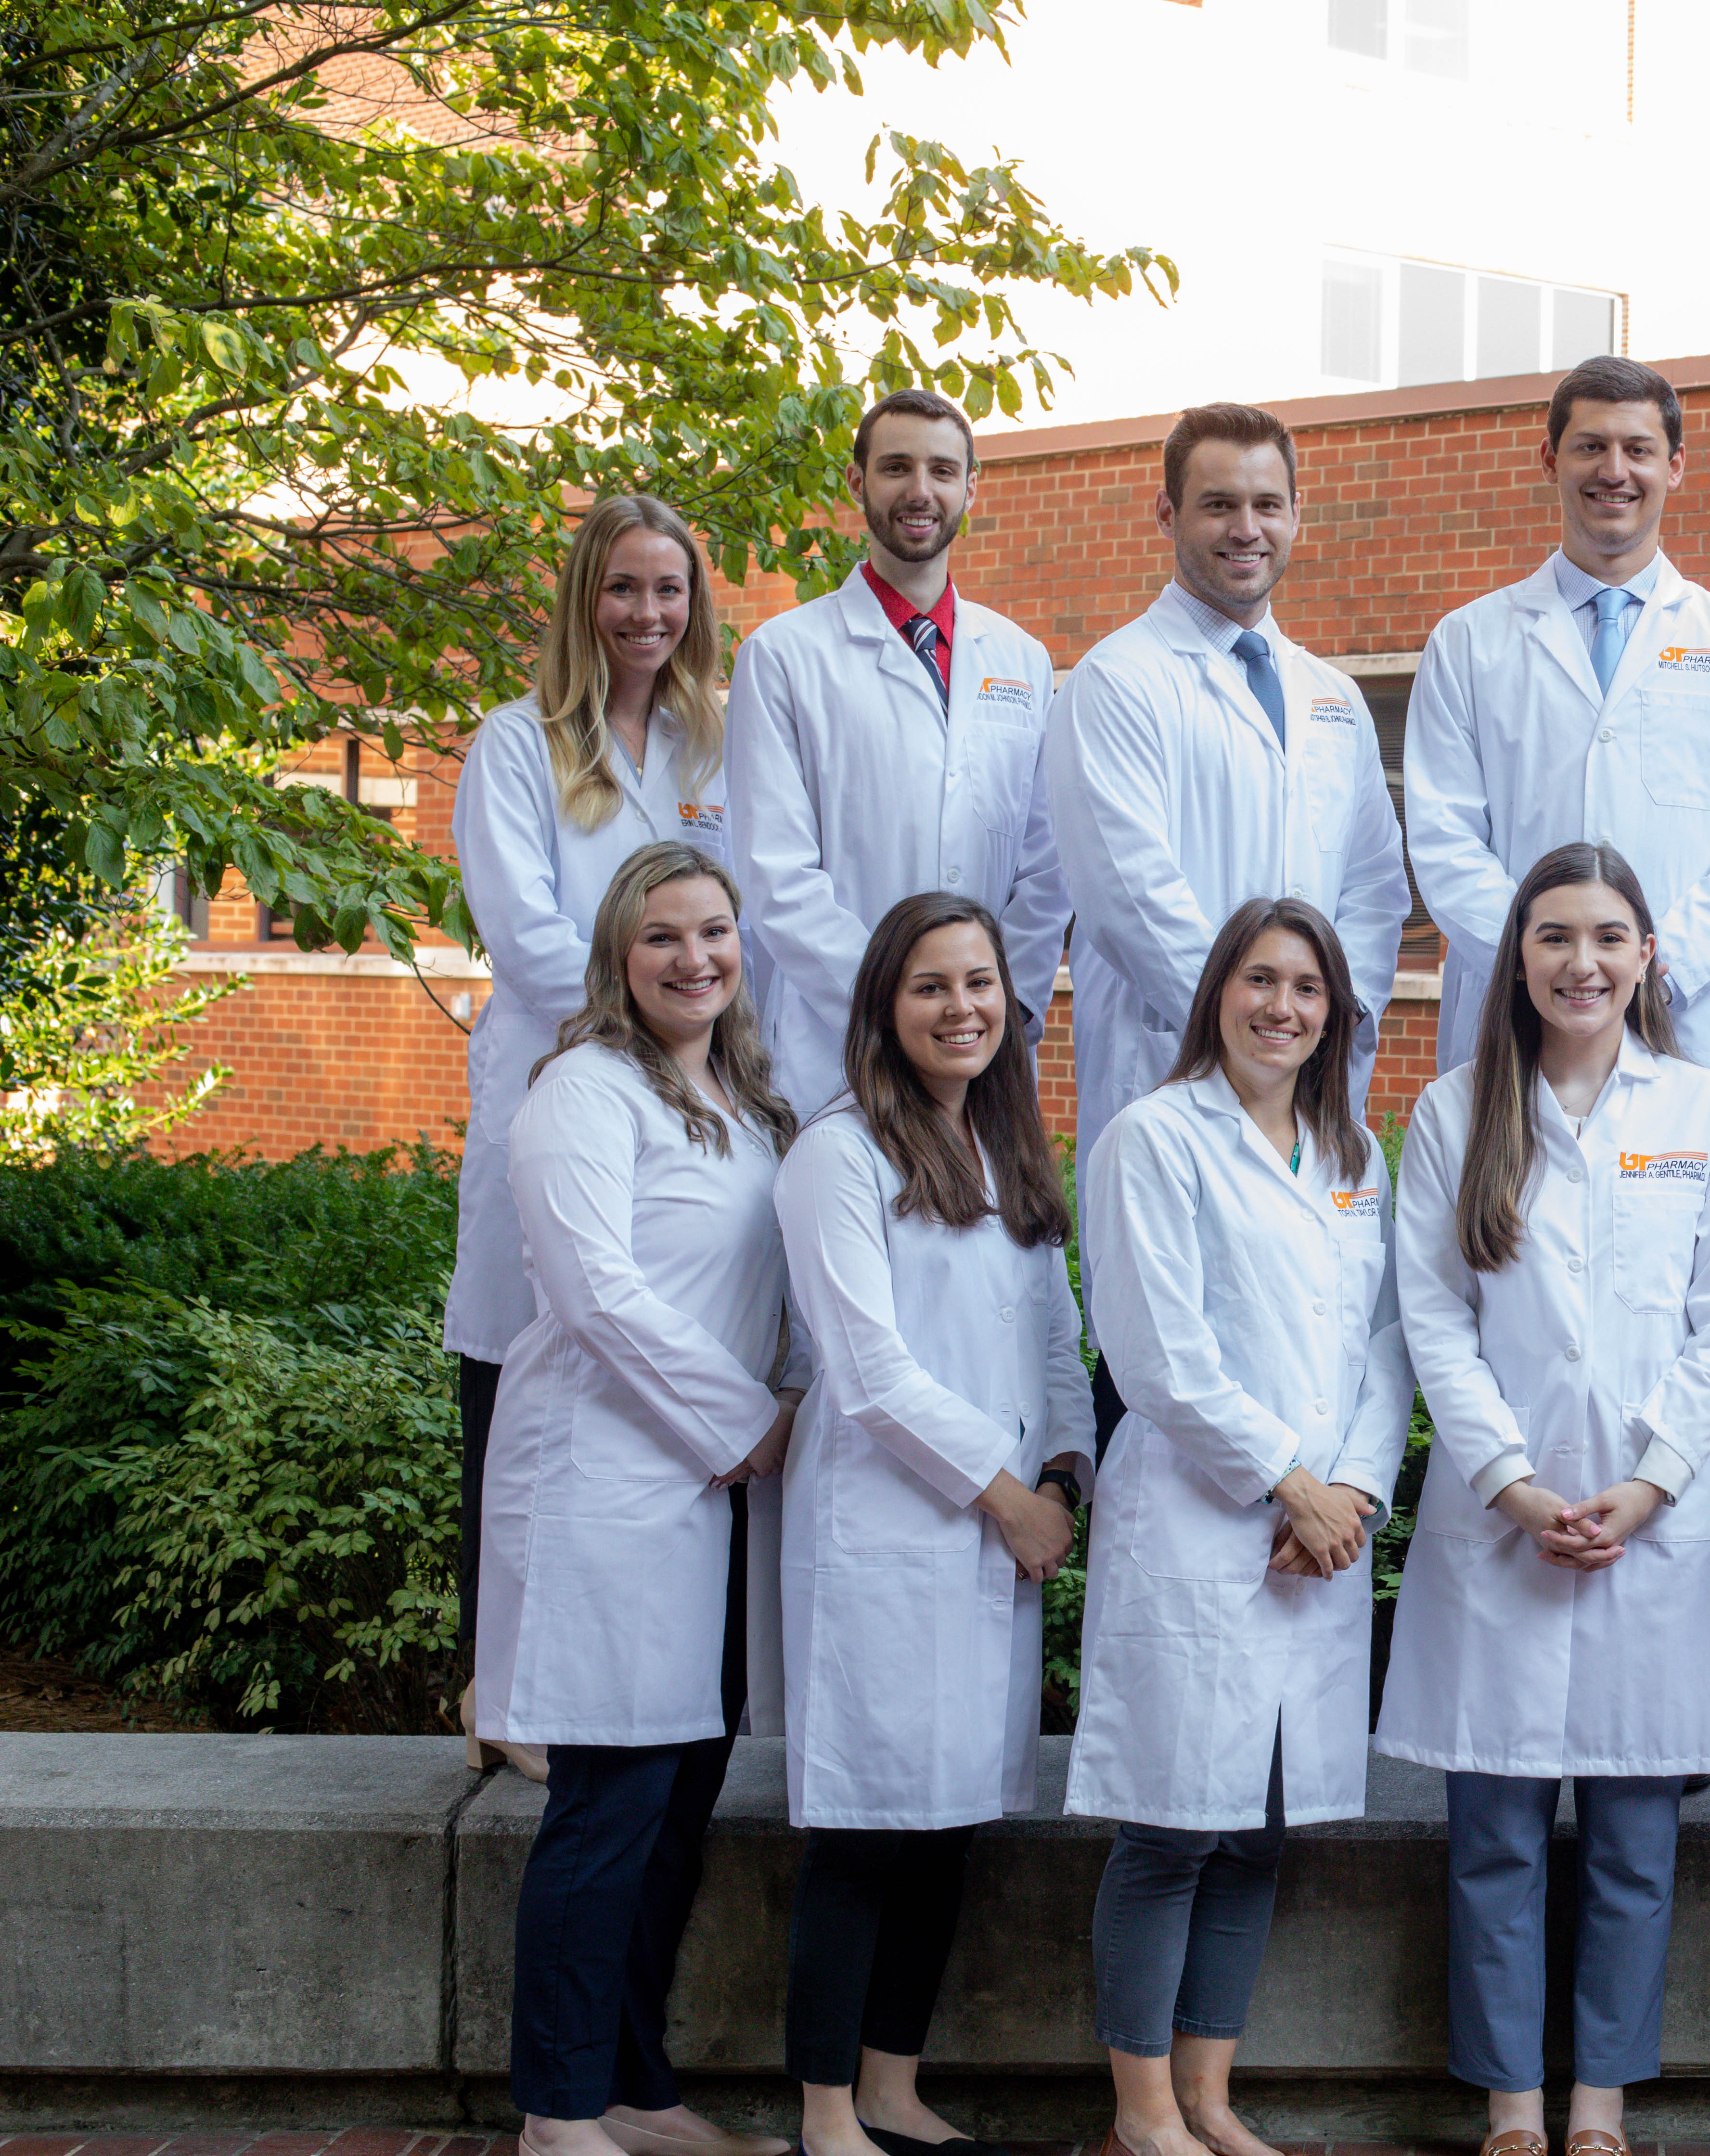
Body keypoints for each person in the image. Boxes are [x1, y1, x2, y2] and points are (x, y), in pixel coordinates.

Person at [1377, 841, 1710, 2156]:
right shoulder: (1453, 1114)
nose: (1581, 961)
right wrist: (1517, 1485)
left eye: (1608, 936)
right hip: (1503, 1532)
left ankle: (1597, 2103)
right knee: (1493, 1840)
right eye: (1554, 936)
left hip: (1652, 1532)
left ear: (1649, 956)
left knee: (1630, 1843)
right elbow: (1434, 1324)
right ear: (1517, 956)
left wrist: (1651, 1484)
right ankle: (1511, 2105)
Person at [1070, 898, 1412, 2156]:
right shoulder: (1154, 1138)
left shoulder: (1354, 1156)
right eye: (1260, 981)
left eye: (1308, 988)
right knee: (1171, 1824)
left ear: (1335, 1014)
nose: (1284, 1006)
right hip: (1206, 1525)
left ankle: (1211, 2101)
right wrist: (1290, 1483)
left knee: (1261, 1828)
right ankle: (1141, 2114)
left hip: (1314, 1536)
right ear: (1217, 993)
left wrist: (1355, 1492)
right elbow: (1156, 1349)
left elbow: (1386, 1344)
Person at [477, 840, 800, 2156]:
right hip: (604, 1487)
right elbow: (596, 1293)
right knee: (607, 1810)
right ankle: (558, 2109)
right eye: (663, 936)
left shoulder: (748, 1103)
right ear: (620, 956)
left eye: (714, 932)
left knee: (674, 1811)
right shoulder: (585, 1093)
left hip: (711, 1505)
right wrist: (748, 1424)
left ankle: (633, 2086)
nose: (695, 958)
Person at [774, 890, 1087, 2156]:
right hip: (889, 1538)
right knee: (863, 1830)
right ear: (884, 1011)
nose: (964, 1008)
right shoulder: (837, 1157)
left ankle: (896, 2086)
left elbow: (1056, 1341)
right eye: (932, 987)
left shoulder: (1009, 1148)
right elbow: (870, 1371)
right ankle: (825, 2114)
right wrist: (1010, 1499)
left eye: (981, 984)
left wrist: (1066, 1475)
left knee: (947, 1822)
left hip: (996, 1538)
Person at [1050, 402, 1411, 1453]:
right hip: (1175, 1085)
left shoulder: (1332, 696)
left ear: (1298, 516)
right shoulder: (1117, 680)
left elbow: (1376, 892)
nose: (1244, 527)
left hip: (1308, 1110)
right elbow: (1129, 891)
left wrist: (1330, 1036)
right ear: (1167, 512)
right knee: (1173, 1382)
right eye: (1217, 503)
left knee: (1311, 1373)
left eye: (1266, 503)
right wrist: (1252, 1039)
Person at [450, 494, 738, 1782]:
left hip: (687, 1105)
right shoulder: (515, 748)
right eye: (624, 589)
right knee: (521, 1380)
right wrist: (650, 1042)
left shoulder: (710, 748)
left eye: (669, 591)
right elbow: (525, 936)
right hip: (566, 1093)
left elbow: (735, 929)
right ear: (585, 599)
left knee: (627, 1393)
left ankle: (592, 1682)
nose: (647, 614)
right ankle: (495, 1692)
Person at [1403, 355, 1710, 1135]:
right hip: (1513, 1022)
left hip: (1689, 1013)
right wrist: (1539, 967)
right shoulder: (1468, 643)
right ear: (1552, 459)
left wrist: (1659, 968)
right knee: (1507, 1236)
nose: (1614, 472)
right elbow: (1444, 837)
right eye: (1591, 447)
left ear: (1676, 465)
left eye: (1638, 449)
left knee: (1697, 1241)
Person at [727, 387, 1073, 1114]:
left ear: (971, 487)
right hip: (844, 1044)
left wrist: (996, 1007)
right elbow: (775, 874)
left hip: (985, 1054)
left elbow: (1047, 866)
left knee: (994, 1223)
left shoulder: (1022, 658)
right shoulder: (784, 657)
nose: (921, 491)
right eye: (896, 468)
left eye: (944, 471)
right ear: (857, 482)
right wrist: (895, 1007)